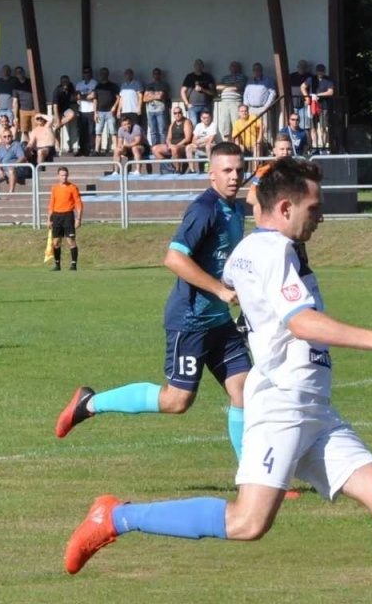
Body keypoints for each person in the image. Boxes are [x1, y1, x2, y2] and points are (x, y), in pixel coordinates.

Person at [61, 156, 372, 604]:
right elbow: (299, 321)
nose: (321, 217)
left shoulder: (254, 248)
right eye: (314, 208)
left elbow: (247, 279)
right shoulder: (273, 250)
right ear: (284, 208)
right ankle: (116, 516)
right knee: (247, 522)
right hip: (282, 404)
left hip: (312, 406)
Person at [54, 142, 252, 461]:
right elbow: (174, 258)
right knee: (177, 401)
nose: (234, 176)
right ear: (211, 174)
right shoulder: (205, 209)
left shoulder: (237, 209)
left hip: (220, 322)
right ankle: (89, 403)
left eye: (239, 170)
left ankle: (251, 477)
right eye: (227, 170)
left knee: (245, 391)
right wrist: (220, 290)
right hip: (190, 320)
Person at [46, 166, 83, 271]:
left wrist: (78, 218)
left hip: (68, 216)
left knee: (70, 241)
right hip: (57, 216)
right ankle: (57, 265)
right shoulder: (55, 188)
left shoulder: (73, 188)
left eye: (66, 175)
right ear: (58, 176)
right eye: (62, 175)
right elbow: (51, 205)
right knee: (56, 242)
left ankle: (74, 265)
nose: (64, 177)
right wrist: (49, 219)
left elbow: (79, 204)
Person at [0, 129, 30, 194]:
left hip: (17, 169)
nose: (7, 138)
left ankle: (11, 191)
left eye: (9, 136)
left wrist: (14, 165)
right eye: (4, 136)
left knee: (11, 169)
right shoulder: (1, 147)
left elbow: (22, 157)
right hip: (4, 170)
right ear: (2, 138)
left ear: (12, 136)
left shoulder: (16, 145)